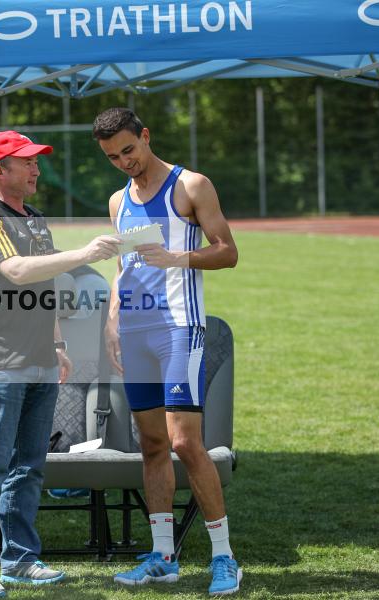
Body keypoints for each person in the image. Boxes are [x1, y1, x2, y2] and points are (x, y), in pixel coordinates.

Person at [0, 130, 121, 597]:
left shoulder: (35, 220)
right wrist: (85, 253)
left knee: (29, 467)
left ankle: (20, 560)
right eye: (26, 161)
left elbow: (42, 288)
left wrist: (58, 343)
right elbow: (16, 272)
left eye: (36, 160)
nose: (36, 169)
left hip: (39, 362)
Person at [92, 108, 241, 596]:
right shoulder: (119, 201)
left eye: (128, 150)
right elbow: (125, 267)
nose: (124, 162)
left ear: (145, 136)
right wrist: (112, 319)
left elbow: (228, 251)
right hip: (136, 335)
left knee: (184, 443)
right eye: (113, 157)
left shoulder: (191, 186)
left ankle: (224, 558)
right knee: (152, 444)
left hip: (179, 330)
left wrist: (178, 258)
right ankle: (163, 557)